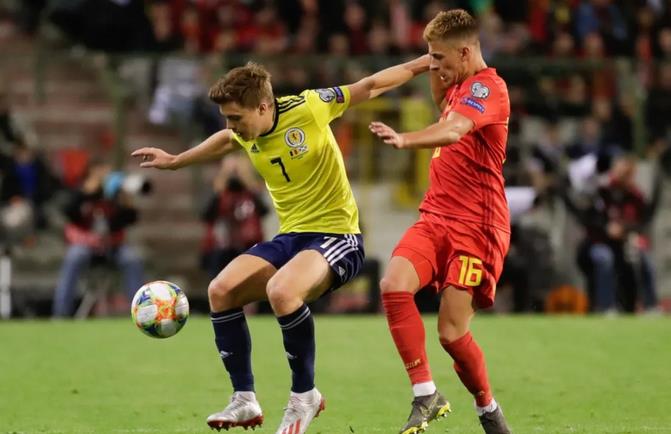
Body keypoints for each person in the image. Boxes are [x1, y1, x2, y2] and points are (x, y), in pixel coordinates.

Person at [132, 57, 430, 434]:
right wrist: (176, 161)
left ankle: (304, 397)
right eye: (227, 118)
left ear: (263, 107)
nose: (231, 126)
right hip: (291, 238)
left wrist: (426, 62)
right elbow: (226, 140)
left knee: (282, 291)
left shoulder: (310, 107)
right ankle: (244, 399)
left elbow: (369, 86)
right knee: (221, 290)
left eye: (236, 118)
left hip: (337, 236)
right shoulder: (245, 130)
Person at [369, 10, 512, 434]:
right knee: (393, 285)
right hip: (435, 217)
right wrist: (423, 63)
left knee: (451, 333)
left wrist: (404, 139)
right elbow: (390, 78)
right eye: (430, 57)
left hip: (477, 227)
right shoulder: (451, 79)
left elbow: (452, 131)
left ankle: (488, 408)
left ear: (465, 53)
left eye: (439, 58)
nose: (434, 66)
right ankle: (426, 394)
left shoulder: (488, 88)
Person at [52, 160, 145, 317]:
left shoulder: (115, 194)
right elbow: (69, 212)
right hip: (85, 245)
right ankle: (61, 313)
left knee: (132, 258)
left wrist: (126, 201)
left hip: (113, 245)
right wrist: (86, 193)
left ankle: (141, 313)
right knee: (74, 256)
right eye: (100, 172)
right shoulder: (81, 192)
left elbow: (129, 220)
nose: (104, 176)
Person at [201, 155, 267, 279]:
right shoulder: (219, 197)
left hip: (249, 247)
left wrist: (247, 177)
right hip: (221, 249)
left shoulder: (250, 196)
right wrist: (224, 174)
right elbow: (207, 214)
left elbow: (263, 210)